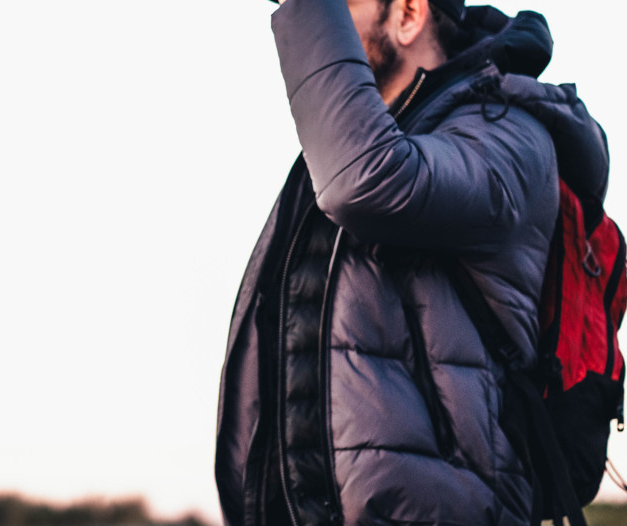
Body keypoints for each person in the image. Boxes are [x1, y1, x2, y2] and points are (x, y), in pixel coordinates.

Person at [215, 0, 609, 524]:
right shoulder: (357, 151)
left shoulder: (504, 134)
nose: (323, 20)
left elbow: (369, 183)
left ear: (407, 14)